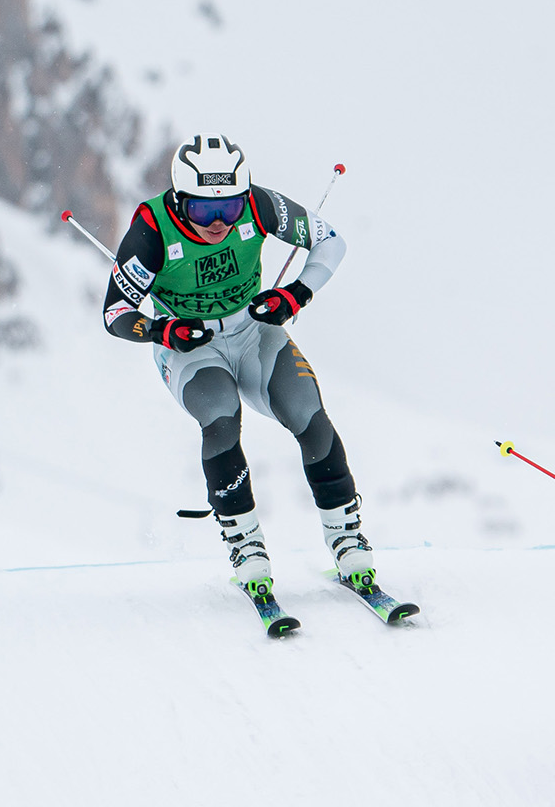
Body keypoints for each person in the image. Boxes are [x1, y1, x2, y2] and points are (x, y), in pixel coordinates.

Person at [99, 131, 378, 609]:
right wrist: (165, 331)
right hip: (192, 348)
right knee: (222, 418)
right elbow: (115, 314)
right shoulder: (152, 230)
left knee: (310, 416)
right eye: (203, 210)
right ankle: (246, 547)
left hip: (253, 331)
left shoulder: (260, 205)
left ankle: (347, 541)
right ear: (179, 200)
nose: (218, 223)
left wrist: (295, 295)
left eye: (229, 209)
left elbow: (331, 241)